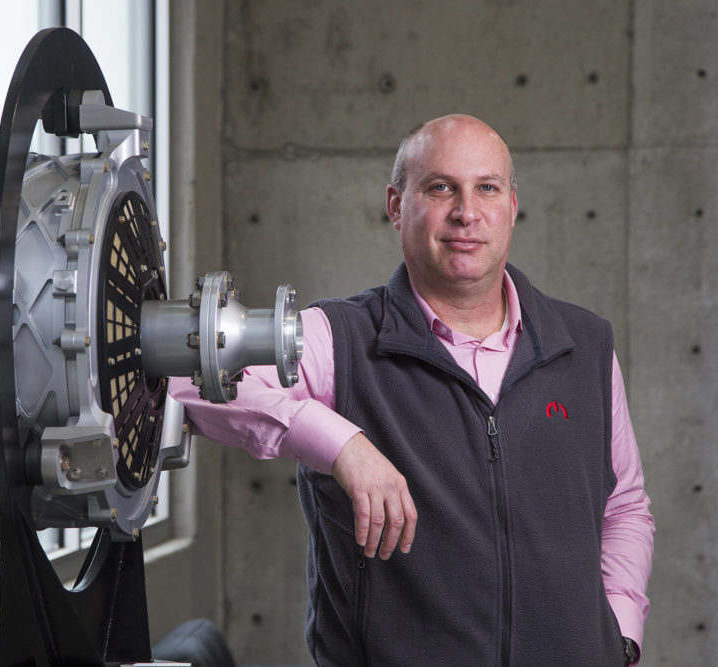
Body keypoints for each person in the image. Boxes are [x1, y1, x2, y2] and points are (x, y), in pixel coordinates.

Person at [170, 114, 654, 665]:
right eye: (440, 187)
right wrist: (338, 442)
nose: (466, 213)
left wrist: (618, 631)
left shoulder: (584, 344)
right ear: (396, 205)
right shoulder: (339, 339)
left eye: (486, 189)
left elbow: (625, 505)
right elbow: (186, 375)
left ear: (512, 207)